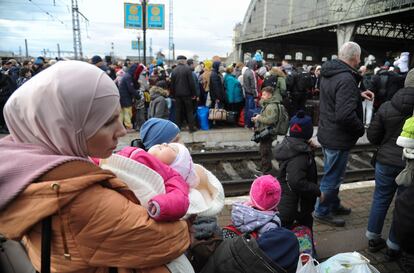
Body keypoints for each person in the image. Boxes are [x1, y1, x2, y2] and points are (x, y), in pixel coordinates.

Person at [0, 61, 190, 273]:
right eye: (108, 122)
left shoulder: (32, 167)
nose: (122, 131)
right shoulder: (79, 200)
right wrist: (188, 214)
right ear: (65, 128)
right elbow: (173, 240)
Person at [315, 41, 375, 227]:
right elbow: (344, 115)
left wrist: (357, 95)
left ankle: (333, 203)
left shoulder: (329, 73)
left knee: (332, 173)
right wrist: (360, 129)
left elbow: (335, 97)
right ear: (356, 58)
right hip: (338, 136)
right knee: (333, 177)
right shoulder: (347, 79)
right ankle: (322, 210)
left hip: (327, 131)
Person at [365, 68, 414, 260]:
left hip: (385, 162)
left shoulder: (387, 106)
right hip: (409, 166)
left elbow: (372, 136)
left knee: (380, 199)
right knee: (403, 205)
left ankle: (372, 238)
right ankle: (394, 246)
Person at [274, 110, 321, 231]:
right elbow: (296, 181)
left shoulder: (291, 146)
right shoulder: (300, 156)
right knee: (301, 232)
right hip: (296, 206)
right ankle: (303, 250)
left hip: (289, 203)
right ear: (308, 132)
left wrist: (307, 148)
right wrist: (317, 191)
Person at [251, 86, 282, 174]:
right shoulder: (268, 105)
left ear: (269, 95)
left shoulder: (271, 106)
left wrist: (259, 118)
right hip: (265, 131)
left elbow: (271, 120)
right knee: (263, 150)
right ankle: (264, 167)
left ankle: (266, 170)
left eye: (264, 94)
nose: (262, 96)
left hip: (268, 132)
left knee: (265, 151)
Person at [170, 55, 197, 132]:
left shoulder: (174, 70)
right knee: (189, 111)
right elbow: (191, 83)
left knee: (178, 111)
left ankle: (177, 128)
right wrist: (194, 94)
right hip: (187, 94)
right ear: (183, 61)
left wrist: (173, 94)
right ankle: (191, 128)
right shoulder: (188, 69)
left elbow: (172, 84)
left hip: (177, 95)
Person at [118, 63, 143, 131]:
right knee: (128, 112)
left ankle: (120, 127)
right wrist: (137, 95)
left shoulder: (126, 75)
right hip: (125, 97)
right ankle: (128, 127)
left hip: (122, 96)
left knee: (122, 113)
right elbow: (131, 88)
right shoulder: (128, 77)